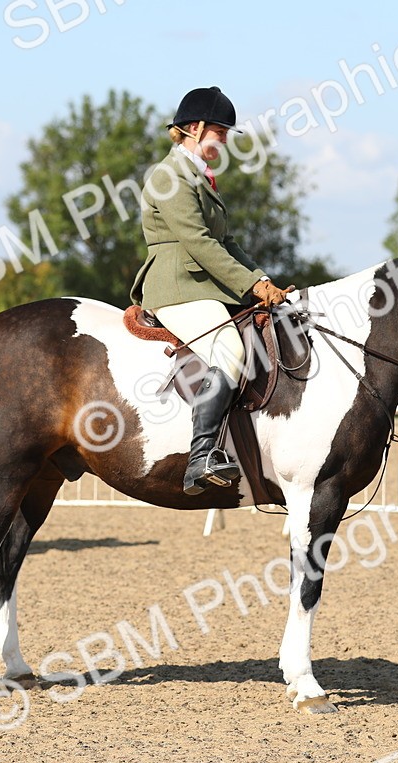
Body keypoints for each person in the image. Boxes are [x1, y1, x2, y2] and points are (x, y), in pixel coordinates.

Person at [129, 86, 293, 495]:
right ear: (194, 128)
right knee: (231, 351)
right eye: (219, 130)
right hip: (177, 285)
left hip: (205, 282)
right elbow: (199, 243)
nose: (223, 139)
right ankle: (201, 456)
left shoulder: (201, 177)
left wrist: (262, 280)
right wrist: (250, 285)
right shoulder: (169, 176)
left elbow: (227, 242)